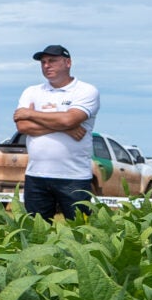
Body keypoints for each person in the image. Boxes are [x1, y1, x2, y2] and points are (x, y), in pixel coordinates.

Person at [16, 44, 102, 219]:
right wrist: (66, 128)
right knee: (35, 235)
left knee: (80, 234)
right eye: (43, 62)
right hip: (36, 176)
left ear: (68, 62)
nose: (47, 66)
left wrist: (31, 113)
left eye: (52, 61)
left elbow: (69, 119)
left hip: (74, 177)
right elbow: (22, 127)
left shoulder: (86, 91)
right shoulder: (31, 91)